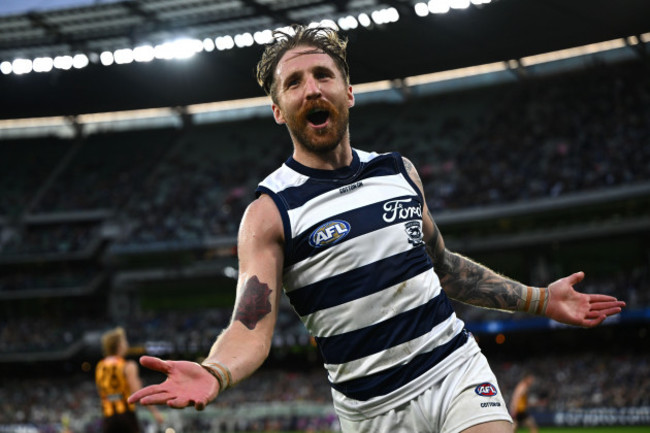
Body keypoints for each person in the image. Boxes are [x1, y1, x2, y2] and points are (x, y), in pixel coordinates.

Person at [128, 24, 626, 433]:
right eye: (294, 82)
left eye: (322, 75)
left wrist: (540, 300)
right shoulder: (269, 211)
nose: (312, 88)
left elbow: (444, 267)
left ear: (348, 91)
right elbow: (250, 326)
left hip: (454, 368)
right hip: (371, 412)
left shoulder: (398, 171)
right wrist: (216, 371)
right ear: (278, 110)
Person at [96, 327, 164, 433]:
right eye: (124, 341)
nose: (127, 344)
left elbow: (103, 392)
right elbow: (138, 393)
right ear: (119, 345)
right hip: (126, 415)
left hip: (108, 417)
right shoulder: (128, 366)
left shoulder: (100, 366)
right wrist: (155, 412)